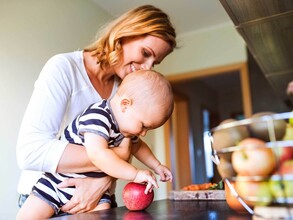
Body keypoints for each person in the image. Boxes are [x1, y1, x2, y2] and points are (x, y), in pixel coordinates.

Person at [16, 4, 176, 215]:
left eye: (154, 62)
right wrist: (115, 156)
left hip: (98, 198)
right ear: (125, 34)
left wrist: (100, 183)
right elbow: (30, 152)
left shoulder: (127, 91)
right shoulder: (64, 69)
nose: (146, 67)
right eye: (145, 53)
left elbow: (129, 150)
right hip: (49, 194)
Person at [16, 69, 174, 219]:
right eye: (144, 125)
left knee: (104, 212)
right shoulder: (98, 116)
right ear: (125, 105)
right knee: (27, 217)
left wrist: (157, 165)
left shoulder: (124, 129)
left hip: (95, 192)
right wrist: (135, 174)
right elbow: (98, 155)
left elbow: (138, 146)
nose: (144, 132)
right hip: (58, 184)